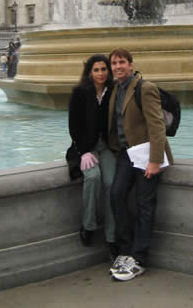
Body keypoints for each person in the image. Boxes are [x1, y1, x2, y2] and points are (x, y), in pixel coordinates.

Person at [107, 48, 173, 281]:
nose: (117, 67)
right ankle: (126, 250)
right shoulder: (115, 88)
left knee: (145, 204)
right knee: (116, 195)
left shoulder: (145, 88)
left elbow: (157, 126)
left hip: (146, 154)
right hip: (127, 154)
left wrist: (155, 160)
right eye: (114, 63)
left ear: (131, 64)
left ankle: (139, 257)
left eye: (122, 62)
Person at [68, 54, 116, 256]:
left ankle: (112, 236)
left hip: (106, 147)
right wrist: (83, 151)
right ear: (89, 72)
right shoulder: (79, 93)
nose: (100, 73)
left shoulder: (114, 91)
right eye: (96, 70)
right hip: (86, 147)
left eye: (104, 69)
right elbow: (73, 126)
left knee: (112, 183)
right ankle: (88, 225)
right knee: (93, 177)